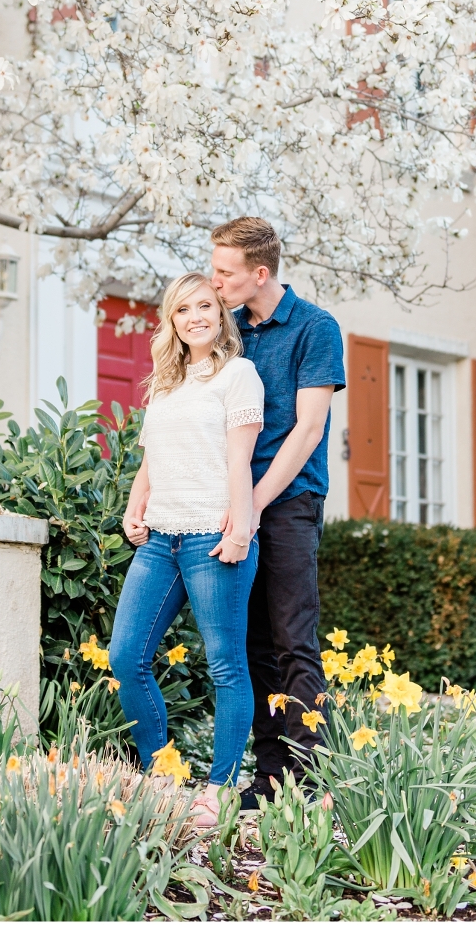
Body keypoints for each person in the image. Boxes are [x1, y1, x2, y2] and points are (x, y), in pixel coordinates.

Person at [110, 271, 264, 827]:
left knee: (226, 665)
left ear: (220, 315)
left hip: (211, 534)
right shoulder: (167, 383)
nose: (195, 316)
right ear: (171, 321)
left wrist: (240, 528)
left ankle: (219, 788)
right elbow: (154, 456)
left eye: (205, 306)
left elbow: (239, 459)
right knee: (126, 657)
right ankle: (165, 775)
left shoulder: (239, 375)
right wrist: (136, 503)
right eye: (182, 310)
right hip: (160, 538)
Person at [210, 217, 346, 808]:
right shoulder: (229, 332)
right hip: (235, 501)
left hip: (288, 502)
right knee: (253, 642)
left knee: (293, 639)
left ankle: (308, 780)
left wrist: (256, 502)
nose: (215, 284)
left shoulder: (316, 328)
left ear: (258, 273)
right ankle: (269, 777)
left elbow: (309, 427)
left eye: (224, 273)